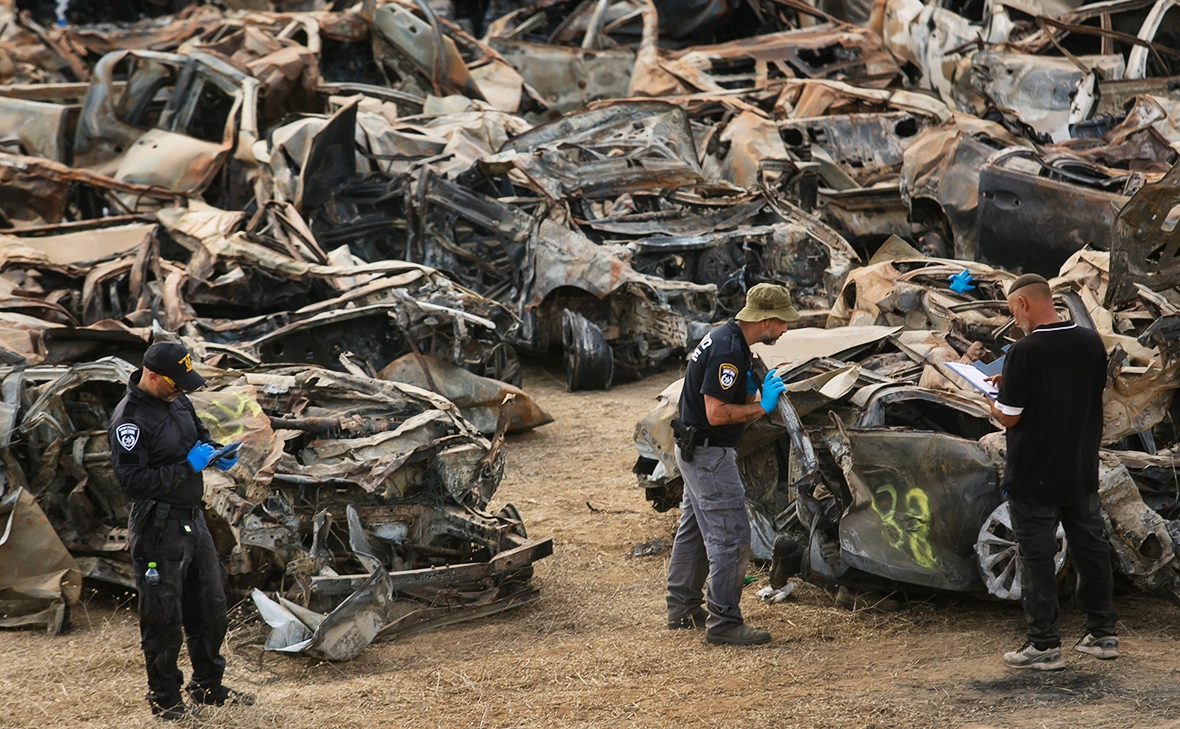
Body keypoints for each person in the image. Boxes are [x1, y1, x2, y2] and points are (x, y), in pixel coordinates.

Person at [108, 341, 254, 719]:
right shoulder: (130, 420)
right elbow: (133, 484)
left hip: (193, 519)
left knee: (210, 607)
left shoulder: (178, 400)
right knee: (163, 617)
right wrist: (188, 467)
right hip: (158, 528)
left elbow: (198, 435)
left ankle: (208, 686)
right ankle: (165, 700)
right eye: (175, 383)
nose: (181, 390)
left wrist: (216, 451)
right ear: (152, 376)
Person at [988, 274, 1117, 671]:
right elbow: (1077, 391)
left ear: (1024, 304)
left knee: (1037, 557)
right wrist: (1009, 384)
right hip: (1080, 470)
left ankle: (1043, 645)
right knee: (1091, 548)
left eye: (1013, 311)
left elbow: (1010, 417)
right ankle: (1102, 634)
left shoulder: (1026, 351)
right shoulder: (1090, 341)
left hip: (1034, 476)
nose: (1014, 320)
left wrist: (991, 401)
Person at [665, 283, 799, 645]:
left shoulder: (728, 339)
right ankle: (723, 622)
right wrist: (763, 406)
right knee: (731, 537)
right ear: (766, 321)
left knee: (693, 531)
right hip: (709, 455)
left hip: (695, 450)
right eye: (782, 322)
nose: (785, 329)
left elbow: (723, 398)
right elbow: (717, 412)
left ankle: (682, 608)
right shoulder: (728, 350)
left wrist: (754, 388)